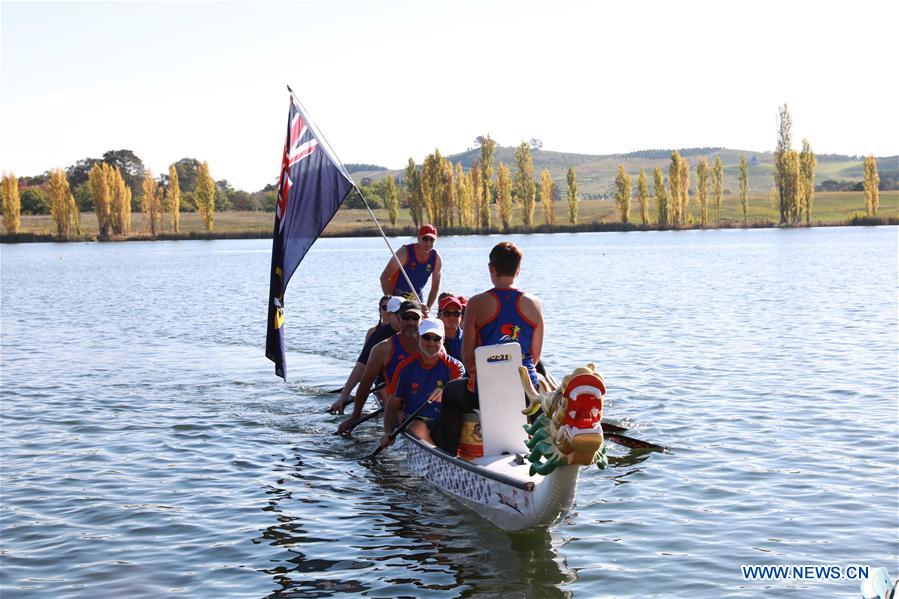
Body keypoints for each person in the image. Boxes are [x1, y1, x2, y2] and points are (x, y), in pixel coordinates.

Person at [437, 241, 544, 456]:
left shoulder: (477, 303)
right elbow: (535, 355)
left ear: (491, 268)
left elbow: (467, 355)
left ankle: (448, 456)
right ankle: (537, 446)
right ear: (518, 270)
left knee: (450, 392)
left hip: (485, 392)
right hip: (525, 393)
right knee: (537, 384)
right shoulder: (534, 303)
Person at [335, 300, 424, 434]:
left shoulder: (432, 343)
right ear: (398, 319)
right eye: (406, 317)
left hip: (424, 399)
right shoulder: (383, 348)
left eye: (415, 318)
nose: (411, 322)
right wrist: (355, 416)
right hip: (397, 401)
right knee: (408, 422)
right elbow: (365, 383)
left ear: (422, 319)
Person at [380, 318, 465, 447]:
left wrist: (446, 391)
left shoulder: (455, 366)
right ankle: (442, 459)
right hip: (417, 421)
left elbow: (457, 390)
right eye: (426, 337)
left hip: (447, 421)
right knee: (417, 428)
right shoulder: (404, 367)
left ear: (443, 340)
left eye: (436, 338)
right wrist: (387, 432)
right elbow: (392, 405)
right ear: (418, 338)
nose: (431, 343)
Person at [330, 295, 404, 413]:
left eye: (404, 314)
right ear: (390, 315)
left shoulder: (421, 332)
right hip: (385, 381)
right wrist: (343, 396)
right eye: (398, 315)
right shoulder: (378, 336)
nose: (403, 318)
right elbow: (361, 367)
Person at [380, 224, 442, 310]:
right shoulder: (404, 252)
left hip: (416, 300)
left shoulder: (436, 258)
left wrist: (428, 308)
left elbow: (435, 287)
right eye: (425, 239)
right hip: (397, 299)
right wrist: (391, 301)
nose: (428, 243)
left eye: (432, 240)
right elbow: (384, 277)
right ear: (418, 238)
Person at [437, 295, 464, 362]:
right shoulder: (432, 339)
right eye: (447, 313)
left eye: (456, 314)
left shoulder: (469, 338)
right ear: (439, 316)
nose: (452, 317)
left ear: (461, 316)